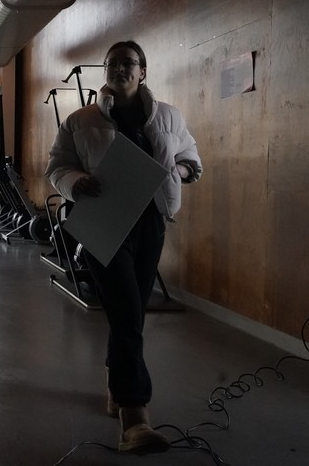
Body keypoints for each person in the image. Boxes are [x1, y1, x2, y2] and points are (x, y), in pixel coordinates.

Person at [45, 40, 202, 455]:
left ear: (142, 71)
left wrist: (180, 169)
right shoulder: (80, 121)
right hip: (103, 223)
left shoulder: (169, 116)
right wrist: (75, 181)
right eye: (113, 63)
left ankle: (118, 383)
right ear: (106, 72)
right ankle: (136, 416)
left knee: (126, 313)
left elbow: (190, 156)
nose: (120, 69)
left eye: (128, 63)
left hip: (149, 222)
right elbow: (56, 167)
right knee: (129, 311)